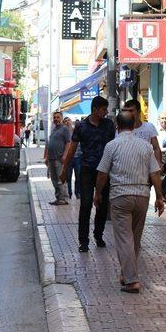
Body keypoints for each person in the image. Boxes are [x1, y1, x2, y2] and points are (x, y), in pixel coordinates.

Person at [94, 112, 165, 293]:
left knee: (125, 239)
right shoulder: (145, 146)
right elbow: (155, 173)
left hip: (120, 196)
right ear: (134, 125)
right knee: (134, 238)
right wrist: (159, 196)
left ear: (117, 126)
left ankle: (132, 280)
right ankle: (127, 274)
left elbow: (102, 173)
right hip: (142, 196)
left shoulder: (112, 146)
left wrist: (98, 193)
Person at [60, 96, 115, 252]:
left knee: (103, 205)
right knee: (85, 205)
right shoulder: (81, 126)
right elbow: (72, 148)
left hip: (104, 171)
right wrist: (64, 170)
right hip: (86, 170)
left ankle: (98, 235)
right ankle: (83, 241)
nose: (106, 112)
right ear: (95, 110)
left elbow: (113, 147)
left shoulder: (109, 125)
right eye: (104, 109)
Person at [121, 99, 162, 167]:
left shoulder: (149, 127)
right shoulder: (121, 129)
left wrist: (158, 163)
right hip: (127, 168)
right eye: (125, 111)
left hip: (145, 167)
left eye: (131, 110)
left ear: (139, 111)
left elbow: (156, 148)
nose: (128, 113)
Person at [44, 111, 70, 205]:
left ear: (62, 118)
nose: (56, 119)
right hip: (51, 159)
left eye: (58, 117)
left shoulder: (65, 129)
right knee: (54, 180)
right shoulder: (54, 129)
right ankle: (58, 198)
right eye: (54, 117)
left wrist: (65, 155)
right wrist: (46, 157)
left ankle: (62, 199)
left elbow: (68, 143)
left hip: (59, 159)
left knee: (60, 180)